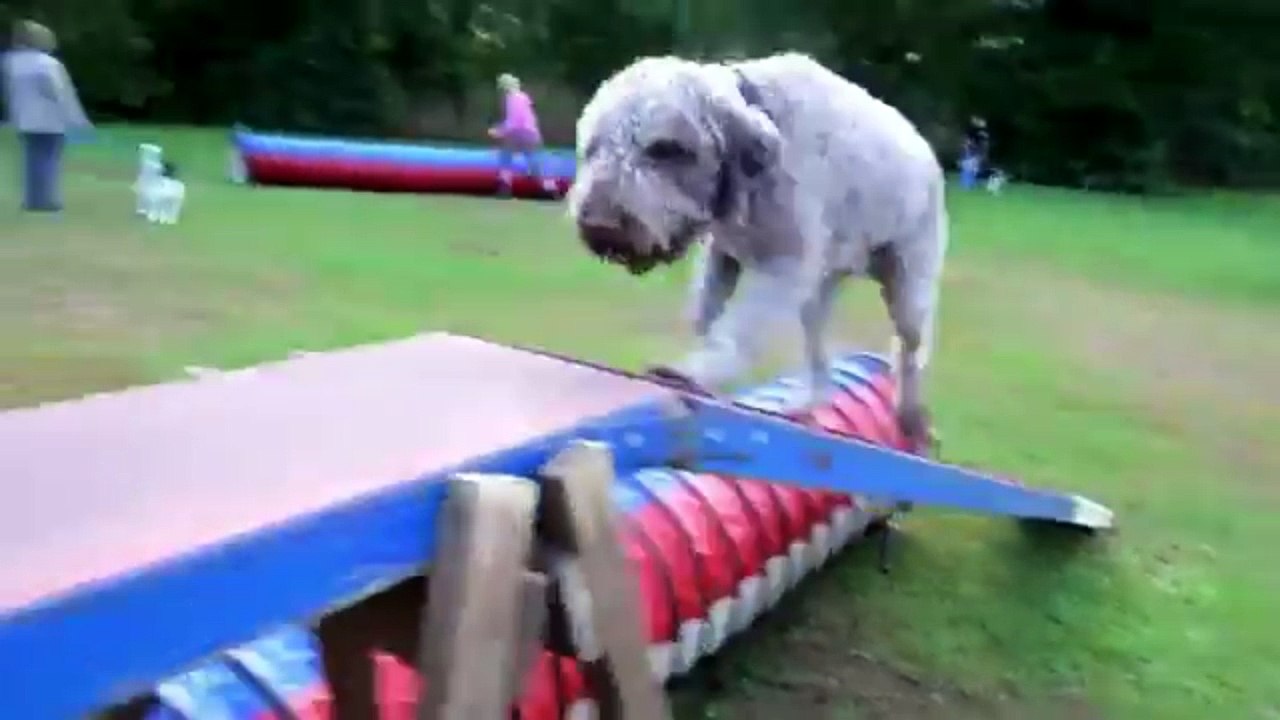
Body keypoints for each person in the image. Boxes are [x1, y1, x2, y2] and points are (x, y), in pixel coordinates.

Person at [1, 20, 92, 212]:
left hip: (24, 119)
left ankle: (32, 199)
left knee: (32, 159)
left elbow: (10, 92)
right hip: (49, 120)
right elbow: (62, 93)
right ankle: (46, 200)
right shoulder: (49, 64)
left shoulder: (11, 63)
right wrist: (77, 119)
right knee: (49, 158)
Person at [488, 73, 558, 198]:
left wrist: (499, 131)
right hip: (530, 132)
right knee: (536, 160)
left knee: (506, 158)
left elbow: (515, 121)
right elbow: (527, 118)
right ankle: (550, 190)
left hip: (518, 133)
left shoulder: (512, 98)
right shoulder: (523, 97)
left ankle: (504, 188)